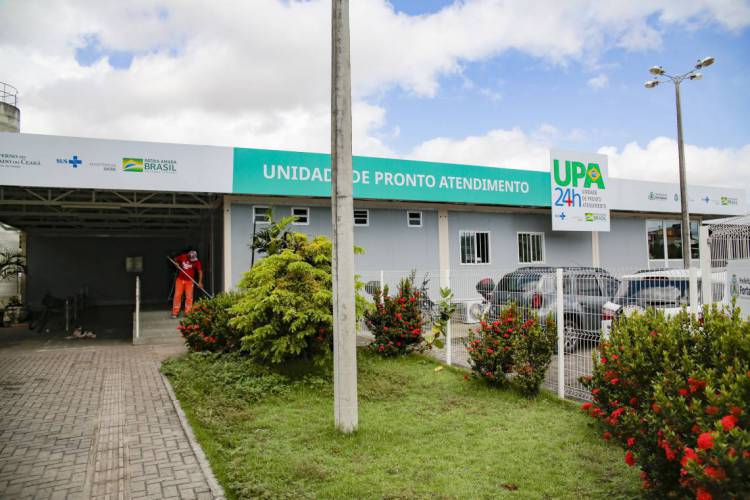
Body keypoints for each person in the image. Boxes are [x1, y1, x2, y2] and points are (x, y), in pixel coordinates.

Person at [171, 250, 203, 318]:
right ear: (188, 256)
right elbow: (175, 259)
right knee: (177, 296)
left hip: (190, 281)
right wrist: (176, 263)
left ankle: (188, 313)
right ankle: (175, 313)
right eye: (191, 259)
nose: (192, 261)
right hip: (180, 280)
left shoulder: (197, 261)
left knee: (189, 297)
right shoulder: (183, 256)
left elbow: (200, 271)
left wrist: (200, 282)